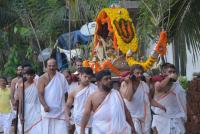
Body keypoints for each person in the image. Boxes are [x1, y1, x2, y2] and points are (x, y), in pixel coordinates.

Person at [120, 64, 166, 134]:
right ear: (132, 74)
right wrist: (130, 82)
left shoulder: (143, 84)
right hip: (131, 117)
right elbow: (129, 98)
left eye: (141, 73)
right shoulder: (124, 84)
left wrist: (160, 106)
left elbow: (149, 99)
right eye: (137, 73)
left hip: (144, 117)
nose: (140, 75)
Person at [152, 63, 186, 134]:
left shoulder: (177, 86)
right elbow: (160, 88)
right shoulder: (157, 84)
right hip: (161, 121)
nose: (172, 74)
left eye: (174, 72)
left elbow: (184, 101)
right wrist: (169, 77)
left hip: (176, 119)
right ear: (163, 73)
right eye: (170, 72)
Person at [37, 58, 69, 134]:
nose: (51, 68)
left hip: (60, 111)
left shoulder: (61, 77)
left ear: (56, 66)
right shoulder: (42, 78)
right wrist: (45, 105)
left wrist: (67, 107)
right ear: (46, 67)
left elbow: (66, 93)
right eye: (49, 66)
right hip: (47, 111)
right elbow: (40, 95)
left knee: (61, 131)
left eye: (53, 66)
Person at [65, 67, 97, 134]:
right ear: (80, 75)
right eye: (85, 76)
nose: (87, 79)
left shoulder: (95, 89)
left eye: (89, 77)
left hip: (93, 121)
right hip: (79, 121)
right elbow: (68, 106)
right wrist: (67, 117)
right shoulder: (74, 91)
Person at [18, 68, 42, 134]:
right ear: (25, 75)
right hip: (26, 110)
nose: (29, 76)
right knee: (26, 129)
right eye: (28, 75)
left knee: (38, 129)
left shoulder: (37, 84)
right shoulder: (22, 85)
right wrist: (20, 114)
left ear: (34, 75)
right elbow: (20, 100)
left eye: (31, 75)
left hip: (36, 109)